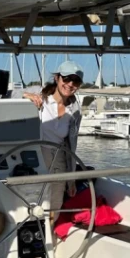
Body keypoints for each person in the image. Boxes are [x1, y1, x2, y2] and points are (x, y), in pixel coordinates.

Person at [22, 61, 84, 211]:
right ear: (57, 78)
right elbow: (4, 95)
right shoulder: (41, 98)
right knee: (33, 200)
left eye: (75, 81)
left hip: (58, 159)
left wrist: (71, 179)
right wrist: (25, 95)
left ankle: (50, 231)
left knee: (55, 203)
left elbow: (71, 146)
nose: (70, 84)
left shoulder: (75, 111)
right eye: (67, 78)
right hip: (36, 157)